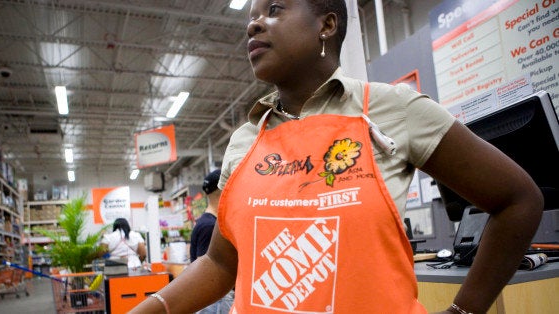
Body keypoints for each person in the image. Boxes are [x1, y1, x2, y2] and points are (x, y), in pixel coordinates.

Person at [130, 0, 543, 313]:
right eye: (252, 16)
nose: (254, 23)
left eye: (274, 9)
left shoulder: (393, 110)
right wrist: (150, 308)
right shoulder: (244, 141)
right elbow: (222, 263)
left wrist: (463, 310)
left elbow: (518, 200)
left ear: (326, 24)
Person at [189, 169, 234, 313]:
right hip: (217, 301)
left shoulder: (207, 222)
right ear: (223, 190)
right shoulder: (210, 227)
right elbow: (209, 274)